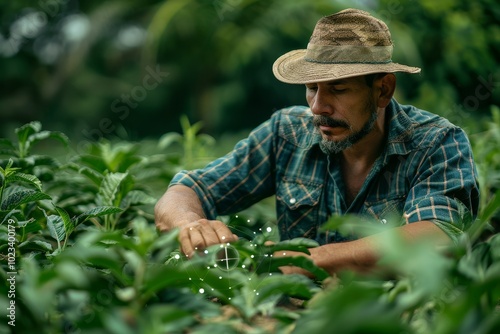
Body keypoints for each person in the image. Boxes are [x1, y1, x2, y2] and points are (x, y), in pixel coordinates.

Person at [155, 8, 479, 276]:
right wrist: (190, 225)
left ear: (383, 90)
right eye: (312, 88)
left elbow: (437, 236)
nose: (317, 107)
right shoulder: (287, 133)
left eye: (338, 89)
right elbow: (187, 190)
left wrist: (300, 259)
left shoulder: (436, 143)